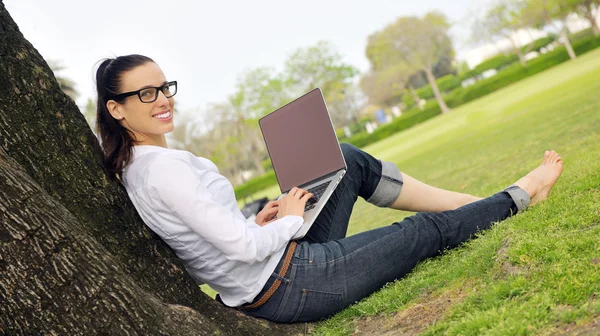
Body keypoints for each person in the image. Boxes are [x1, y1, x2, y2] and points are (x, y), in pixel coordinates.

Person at [95, 54, 563, 324]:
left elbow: (212, 240)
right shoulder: (162, 170)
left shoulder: (144, 165)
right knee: (422, 233)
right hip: (285, 285)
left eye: (164, 87)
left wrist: (259, 220)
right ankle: (519, 195)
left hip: (278, 263)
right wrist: (291, 222)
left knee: (346, 160)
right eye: (146, 94)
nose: (163, 101)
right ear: (117, 110)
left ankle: (475, 204)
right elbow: (236, 250)